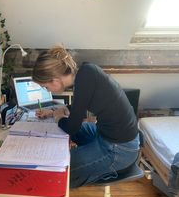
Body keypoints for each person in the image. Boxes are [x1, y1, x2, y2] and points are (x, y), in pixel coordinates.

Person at [32, 45, 140, 188]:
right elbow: (80, 108)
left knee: (59, 171)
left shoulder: (85, 78)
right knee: (69, 135)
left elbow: (72, 127)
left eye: (45, 87)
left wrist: (58, 118)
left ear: (55, 80)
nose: (48, 90)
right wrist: (54, 113)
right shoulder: (85, 72)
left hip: (120, 149)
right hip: (106, 135)